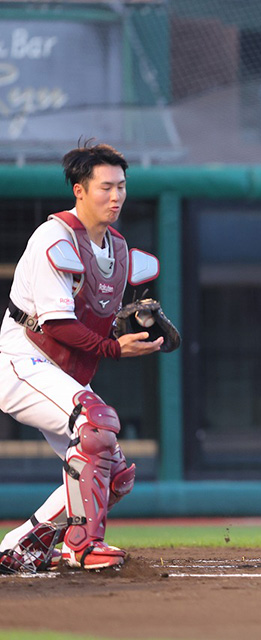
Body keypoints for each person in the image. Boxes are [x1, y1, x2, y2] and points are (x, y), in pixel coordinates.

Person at [0, 142, 163, 573]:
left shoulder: (118, 248)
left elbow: (89, 318)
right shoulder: (55, 236)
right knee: (96, 423)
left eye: (121, 187)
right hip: (23, 358)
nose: (116, 197)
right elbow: (56, 324)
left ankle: (18, 547)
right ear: (79, 190)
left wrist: (124, 329)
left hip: (64, 369)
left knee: (114, 474)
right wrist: (113, 347)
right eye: (105, 187)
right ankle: (82, 544)